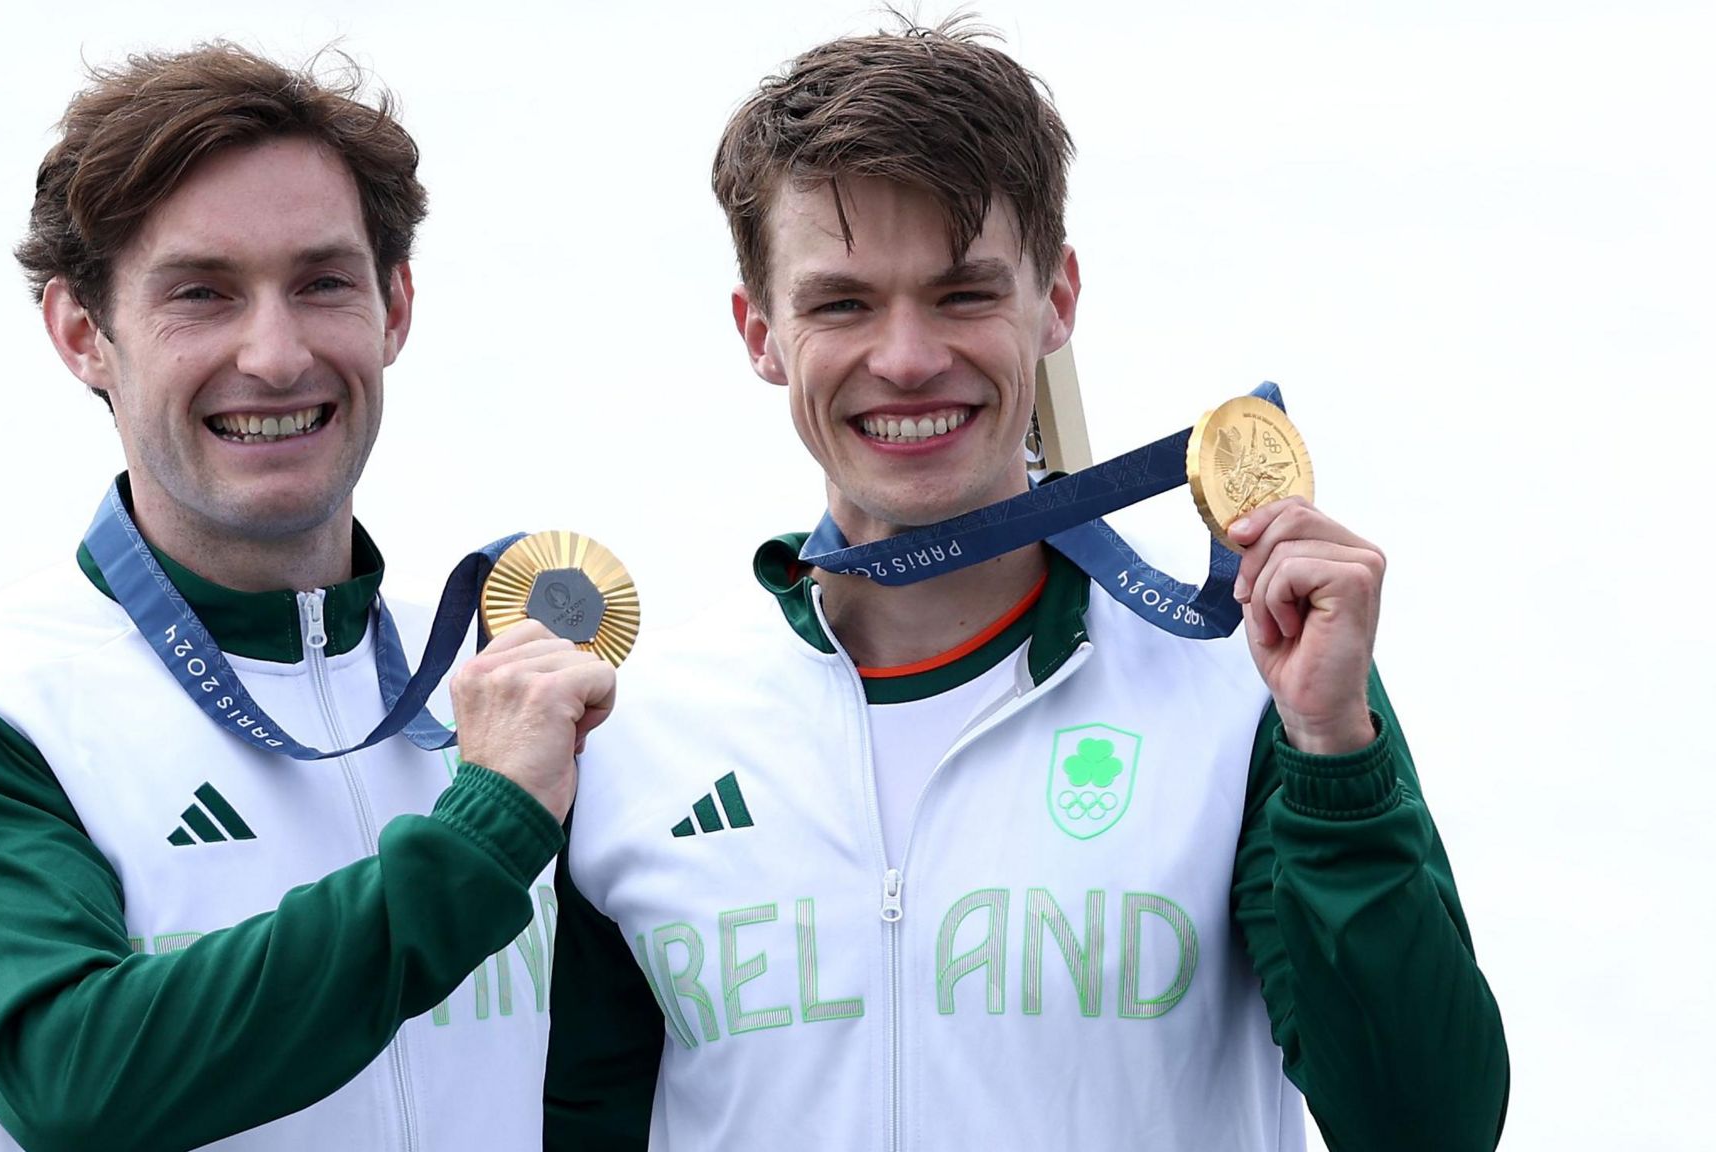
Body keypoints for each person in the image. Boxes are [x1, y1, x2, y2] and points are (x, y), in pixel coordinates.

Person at [544, 17, 1508, 1151]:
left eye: (961, 295)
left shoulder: (1253, 693)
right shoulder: (636, 736)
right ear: (759, 330)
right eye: (841, 303)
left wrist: (1335, 752)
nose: (904, 358)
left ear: (1054, 302)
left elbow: (1425, 1128)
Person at [0, 43, 613, 1151]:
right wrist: (480, 841)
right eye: (201, 294)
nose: (274, 353)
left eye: (322, 283)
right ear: (81, 334)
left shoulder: (500, 684)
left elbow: (597, 1084)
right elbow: (79, 1077)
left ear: (394, 305)